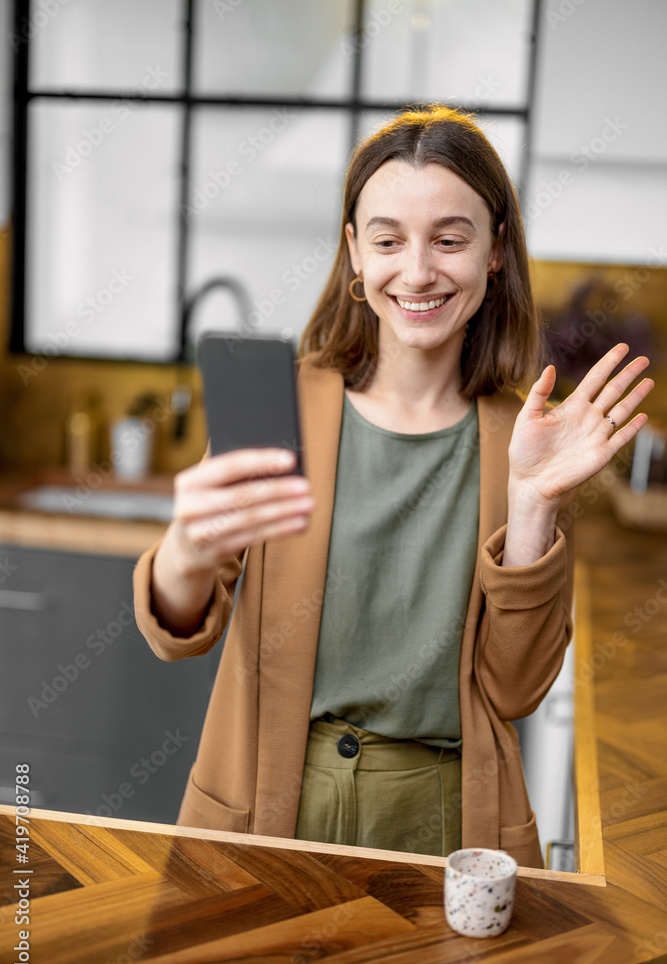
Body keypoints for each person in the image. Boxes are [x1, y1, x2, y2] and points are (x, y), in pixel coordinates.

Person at [133, 106, 653, 867]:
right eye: (387, 240)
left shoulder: (525, 444)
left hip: (446, 825)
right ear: (353, 252)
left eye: (449, 239)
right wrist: (183, 550)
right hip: (268, 805)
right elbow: (181, 630)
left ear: (495, 251)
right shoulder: (282, 403)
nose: (416, 271)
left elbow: (512, 692)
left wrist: (536, 505)